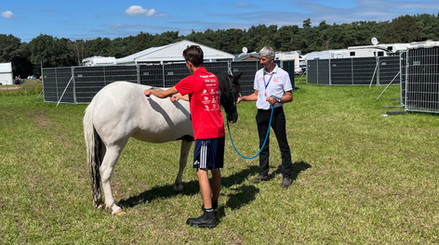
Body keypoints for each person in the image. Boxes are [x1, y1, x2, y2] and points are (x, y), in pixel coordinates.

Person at [144, 45, 224, 228]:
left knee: (201, 170)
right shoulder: (212, 78)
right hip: (218, 130)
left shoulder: (192, 79)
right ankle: (215, 204)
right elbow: (202, 97)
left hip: (205, 132)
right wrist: (181, 97)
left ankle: (208, 215)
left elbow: (164, 94)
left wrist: (150, 91)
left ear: (189, 63)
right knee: (215, 169)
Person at [237, 46, 294, 189]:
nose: (261, 62)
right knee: (263, 143)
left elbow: (290, 96)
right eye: (260, 59)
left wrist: (278, 100)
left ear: (272, 59)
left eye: (263, 59)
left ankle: (287, 175)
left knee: (283, 144)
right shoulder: (258, 74)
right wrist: (244, 98)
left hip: (276, 113)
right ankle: (263, 173)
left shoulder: (282, 74)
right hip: (261, 112)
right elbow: (256, 94)